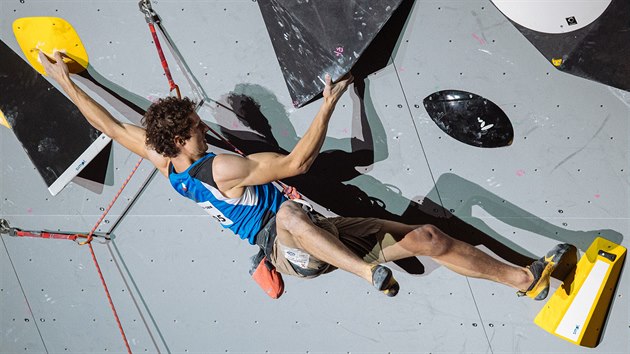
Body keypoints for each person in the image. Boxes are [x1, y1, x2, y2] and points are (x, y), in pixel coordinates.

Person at [40, 50, 569, 299]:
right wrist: (330, 103)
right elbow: (296, 164)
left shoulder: (164, 164)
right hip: (288, 250)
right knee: (290, 210)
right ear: (182, 140)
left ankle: (525, 281)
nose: (206, 129)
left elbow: (108, 124)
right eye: (199, 127)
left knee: (426, 237)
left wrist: (66, 79)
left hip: (323, 235)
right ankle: (368, 275)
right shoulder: (220, 167)